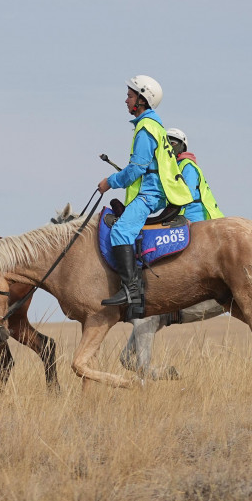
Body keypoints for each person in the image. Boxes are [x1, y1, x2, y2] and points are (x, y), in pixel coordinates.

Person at [96, 76, 192, 320]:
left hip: (151, 194)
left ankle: (131, 289)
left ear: (142, 99)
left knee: (120, 232)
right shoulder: (154, 126)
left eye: (129, 95)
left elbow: (137, 168)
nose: (126, 100)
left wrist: (110, 182)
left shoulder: (146, 128)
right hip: (155, 191)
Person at [167, 127, 224, 223]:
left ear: (181, 147)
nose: (169, 147)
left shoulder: (187, 165)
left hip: (196, 217)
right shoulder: (171, 168)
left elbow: (189, 193)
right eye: (167, 144)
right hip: (180, 216)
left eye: (172, 143)